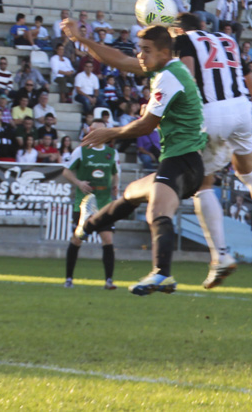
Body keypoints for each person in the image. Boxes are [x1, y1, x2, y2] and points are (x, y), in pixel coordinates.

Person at [61, 19, 206, 296]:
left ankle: (162, 274)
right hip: (182, 161)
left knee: (157, 212)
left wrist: (109, 133)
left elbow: (146, 126)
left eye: (146, 50)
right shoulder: (163, 68)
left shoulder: (169, 75)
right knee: (131, 193)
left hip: (184, 161)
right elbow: (118, 58)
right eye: (139, 49)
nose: (140, 55)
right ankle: (85, 227)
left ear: (164, 53)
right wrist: (83, 41)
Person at [171, 13, 252, 286]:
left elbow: (188, 77)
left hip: (210, 111)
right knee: (248, 172)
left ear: (178, 29)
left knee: (203, 185)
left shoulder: (183, 40)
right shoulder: (227, 40)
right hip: (242, 109)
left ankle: (220, 256)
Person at [62, 121, 120, 290]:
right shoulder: (81, 151)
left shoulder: (112, 153)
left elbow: (115, 173)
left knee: (108, 239)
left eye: (99, 130)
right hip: (84, 204)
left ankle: (109, 280)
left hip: (104, 204)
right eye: (92, 129)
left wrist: (115, 186)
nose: (94, 132)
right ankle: (69, 279)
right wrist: (79, 182)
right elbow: (66, 171)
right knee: (77, 239)